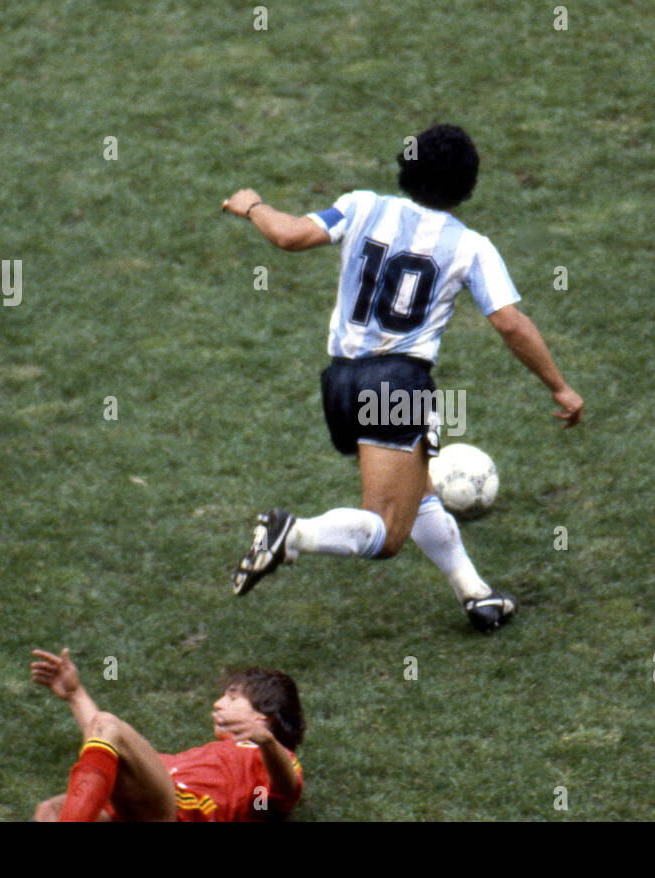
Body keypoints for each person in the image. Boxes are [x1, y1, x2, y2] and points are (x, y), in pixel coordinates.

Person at [221, 123, 584, 632]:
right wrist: (559, 385)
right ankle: (292, 533)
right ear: (468, 187)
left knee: (418, 489)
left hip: (339, 383)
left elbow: (288, 235)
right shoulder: (471, 246)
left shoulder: (363, 205)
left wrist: (252, 205)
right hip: (398, 385)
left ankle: (476, 594)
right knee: (388, 533)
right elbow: (509, 323)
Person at [30, 648, 304, 822]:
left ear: (261, 716)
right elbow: (103, 743)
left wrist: (265, 740)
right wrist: (75, 694)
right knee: (51, 811)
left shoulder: (266, 758)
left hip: (177, 812)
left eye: (232, 698)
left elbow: (285, 788)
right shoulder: (210, 753)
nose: (218, 704)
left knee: (107, 724)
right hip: (138, 811)